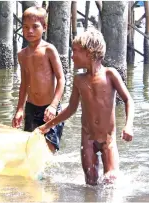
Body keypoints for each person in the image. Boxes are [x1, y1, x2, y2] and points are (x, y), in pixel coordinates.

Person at [37, 28, 134, 185]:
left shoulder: (110, 75)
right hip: (88, 139)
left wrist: (128, 125)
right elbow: (71, 109)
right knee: (90, 182)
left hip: (108, 140)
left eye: (75, 51)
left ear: (89, 53)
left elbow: (128, 100)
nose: (72, 56)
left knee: (112, 180)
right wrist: (47, 126)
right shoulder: (79, 80)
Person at [12, 6, 65, 153]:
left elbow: (61, 79)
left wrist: (54, 106)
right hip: (31, 108)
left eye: (35, 27)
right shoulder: (22, 54)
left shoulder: (49, 50)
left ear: (45, 27)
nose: (30, 31)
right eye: (25, 27)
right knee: (30, 150)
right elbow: (24, 83)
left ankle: (48, 176)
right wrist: (20, 109)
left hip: (50, 109)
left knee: (48, 150)